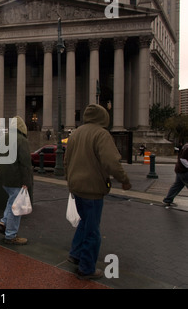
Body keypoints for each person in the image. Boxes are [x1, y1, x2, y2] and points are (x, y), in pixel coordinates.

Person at [64, 104, 131, 280]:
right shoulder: (101, 134)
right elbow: (112, 162)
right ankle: (86, 268)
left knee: (84, 223)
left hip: (77, 187)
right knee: (93, 231)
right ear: (103, 117)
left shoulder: (75, 133)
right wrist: (124, 180)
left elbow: (66, 161)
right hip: (92, 189)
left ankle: (75, 253)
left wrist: (70, 180)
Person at [0, 116, 33, 245]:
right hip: (16, 178)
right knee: (16, 207)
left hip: (4, 179)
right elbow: (25, 163)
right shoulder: (21, 140)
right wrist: (26, 181)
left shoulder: (2, 138)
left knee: (11, 201)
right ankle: (11, 235)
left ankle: (3, 223)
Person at [162, 142, 188, 208]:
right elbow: (183, 159)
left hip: (179, 170)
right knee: (177, 185)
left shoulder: (186, 145)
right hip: (184, 171)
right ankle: (168, 200)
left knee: (177, 185)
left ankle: (168, 200)